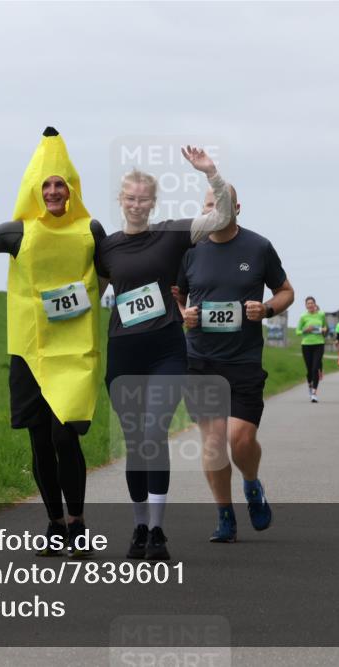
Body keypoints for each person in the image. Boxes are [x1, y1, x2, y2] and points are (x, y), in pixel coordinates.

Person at [0, 127, 103, 558]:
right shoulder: (18, 231)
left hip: (74, 351)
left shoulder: (90, 229)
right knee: (39, 441)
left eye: (59, 184)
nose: (52, 192)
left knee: (64, 437)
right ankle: (55, 524)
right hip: (30, 351)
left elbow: (116, 268)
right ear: (34, 190)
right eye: (45, 185)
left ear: (72, 189)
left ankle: (77, 523)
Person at [99, 147, 233, 561]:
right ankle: (139, 526)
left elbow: (221, 217)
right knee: (135, 442)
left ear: (153, 202)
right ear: (120, 200)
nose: (137, 205)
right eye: (130, 198)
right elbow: (89, 294)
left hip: (166, 353)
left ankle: (157, 530)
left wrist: (211, 173)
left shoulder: (171, 234)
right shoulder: (107, 248)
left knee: (154, 432)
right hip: (123, 353)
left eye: (144, 199)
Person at [175, 185, 294, 543]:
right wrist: (183, 313)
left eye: (221, 204)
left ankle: (252, 483)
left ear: (236, 207)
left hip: (243, 360)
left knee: (240, 439)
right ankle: (224, 515)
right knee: (213, 445)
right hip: (201, 359)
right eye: (208, 205)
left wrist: (267, 309)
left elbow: (286, 291)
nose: (213, 210)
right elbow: (175, 294)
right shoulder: (190, 249)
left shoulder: (258, 247)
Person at [295, 297, 328, 402]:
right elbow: (297, 332)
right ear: (306, 305)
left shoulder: (321, 315)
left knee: (315, 368)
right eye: (308, 303)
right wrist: (305, 330)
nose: (310, 305)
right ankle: (310, 385)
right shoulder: (303, 317)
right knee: (309, 370)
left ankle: (314, 393)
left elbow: (326, 328)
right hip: (306, 345)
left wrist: (324, 330)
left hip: (319, 343)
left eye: (311, 303)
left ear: (315, 304)